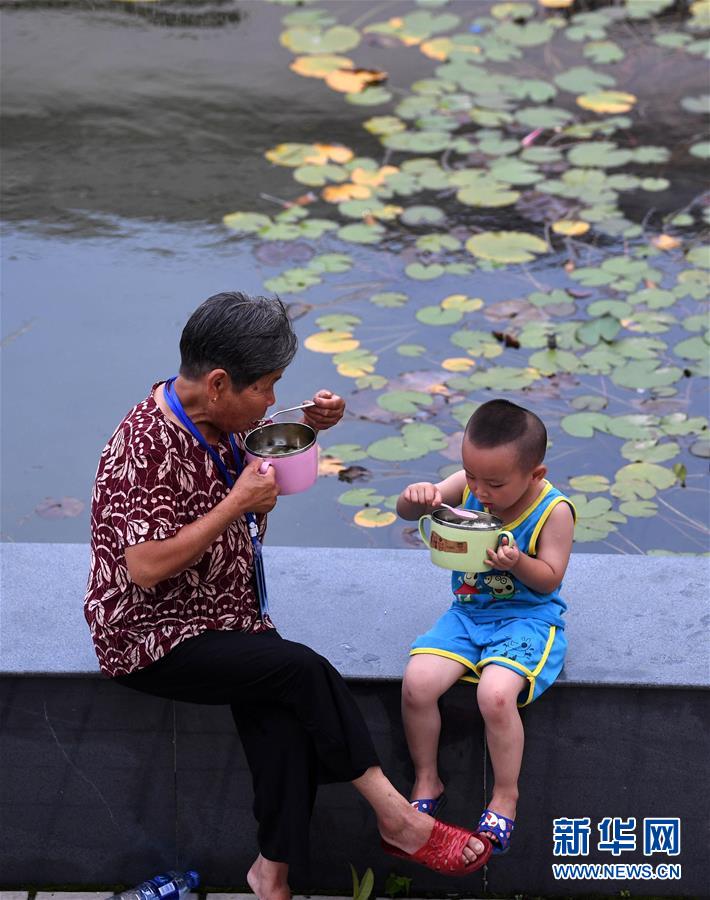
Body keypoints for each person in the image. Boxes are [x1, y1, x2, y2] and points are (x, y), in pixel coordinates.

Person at [84, 291, 491, 900]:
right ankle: (398, 819)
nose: (273, 400)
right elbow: (141, 567)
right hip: (153, 634)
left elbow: (263, 436)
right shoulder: (143, 447)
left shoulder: (214, 414)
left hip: (226, 612)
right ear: (219, 382)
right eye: (268, 387)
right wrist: (236, 505)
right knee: (301, 672)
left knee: (280, 712)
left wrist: (312, 422)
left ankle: (271, 876)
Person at [396, 399, 575, 855]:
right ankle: (426, 779)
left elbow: (551, 577)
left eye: (494, 483)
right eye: (470, 475)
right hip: (468, 613)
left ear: (535, 475)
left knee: (494, 695)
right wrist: (415, 497)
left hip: (527, 619)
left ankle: (505, 795)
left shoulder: (554, 511)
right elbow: (407, 512)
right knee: (417, 684)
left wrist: (517, 563)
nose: (479, 491)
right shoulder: (471, 486)